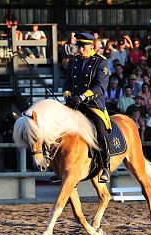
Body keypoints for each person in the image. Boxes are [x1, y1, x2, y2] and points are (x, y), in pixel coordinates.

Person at [63, 32, 111, 183]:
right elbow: (67, 82)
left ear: (91, 46)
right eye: (79, 46)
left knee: (100, 132)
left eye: (83, 47)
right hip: (75, 104)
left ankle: (106, 167)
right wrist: (68, 95)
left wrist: (82, 97)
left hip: (93, 105)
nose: (80, 49)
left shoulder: (101, 62)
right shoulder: (73, 61)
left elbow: (100, 87)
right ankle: (59, 167)